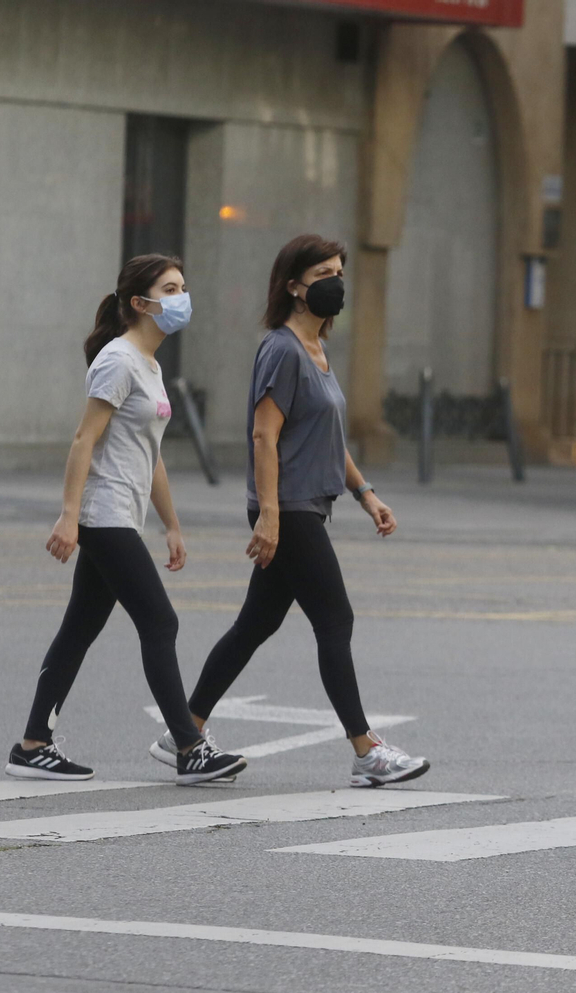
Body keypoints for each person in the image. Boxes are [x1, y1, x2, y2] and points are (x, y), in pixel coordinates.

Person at [150, 235, 429, 788]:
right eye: (324, 271)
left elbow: (326, 437)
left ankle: (182, 734)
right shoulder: (281, 348)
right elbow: (263, 435)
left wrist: (365, 493)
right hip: (290, 509)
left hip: (305, 504)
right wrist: (270, 515)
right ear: (294, 286)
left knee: (256, 624)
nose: (336, 281)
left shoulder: (317, 350)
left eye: (340, 271)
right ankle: (366, 752)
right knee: (335, 619)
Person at [7, 255, 247, 786]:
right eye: (170, 288)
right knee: (160, 622)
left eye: (183, 286)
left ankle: (32, 745)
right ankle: (189, 747)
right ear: (141, 303)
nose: (182, 297)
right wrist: (70, 517)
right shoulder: (118, 360)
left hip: (124, 516)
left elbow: (151, 454)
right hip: (104, 514)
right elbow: (83, 439)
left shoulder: (151, 366)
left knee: (78, 630)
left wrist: (172, 525)